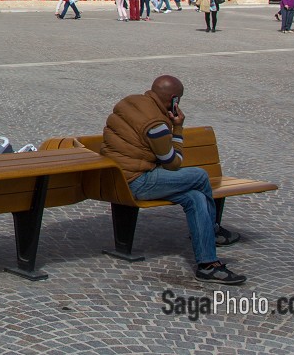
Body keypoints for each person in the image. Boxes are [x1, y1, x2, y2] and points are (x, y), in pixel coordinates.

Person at [101, 75, 245, 284]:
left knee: (195, 197)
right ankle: (212, 230)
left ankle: (207, 264)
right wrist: (177, 127)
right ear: (174, 100)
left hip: (119, 176)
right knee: (200, 176)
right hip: (137, 181)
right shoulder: (156, 124)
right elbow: (173, 162)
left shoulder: (130, 102)